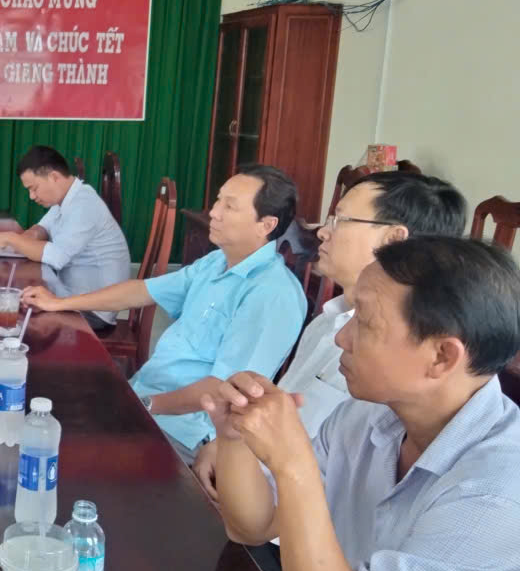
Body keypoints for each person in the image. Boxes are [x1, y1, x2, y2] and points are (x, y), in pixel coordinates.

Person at [206, 237, 520, 571]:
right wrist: (235, 435)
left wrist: (292, 462)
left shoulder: (501, 497)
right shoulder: (369, 417)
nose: (342, 337)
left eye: (366, 324)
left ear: (442, 356)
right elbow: (252, 526)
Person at [192, 170, 467, 499]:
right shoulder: (327, 321)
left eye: (341, 220)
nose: (323, 231)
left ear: (393, 240)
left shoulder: (396, 359)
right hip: (245, 486)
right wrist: (226, 447)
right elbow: (277, 414)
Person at [22, 164, 307, 462]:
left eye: (230, 206)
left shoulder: (273, 294)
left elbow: (224, 390)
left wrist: (142, 404)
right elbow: (142, 291)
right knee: (41, 401)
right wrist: (61, 302)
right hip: (145, 397)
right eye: (218, 200)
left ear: (266, 225)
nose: (214, 212)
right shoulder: (216, 263)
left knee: (56, 449)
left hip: (183, 433)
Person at [0, 146, 130, 333]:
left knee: (19, 319)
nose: (32, 196)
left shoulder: (84, 204)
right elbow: (41, 229)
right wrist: (24, 239)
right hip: (69, 295)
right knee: (16, 302)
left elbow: (57, 257)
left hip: (93, 312)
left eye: (34, 188)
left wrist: (12, 239)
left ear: (54, 177)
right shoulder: (66, 199)